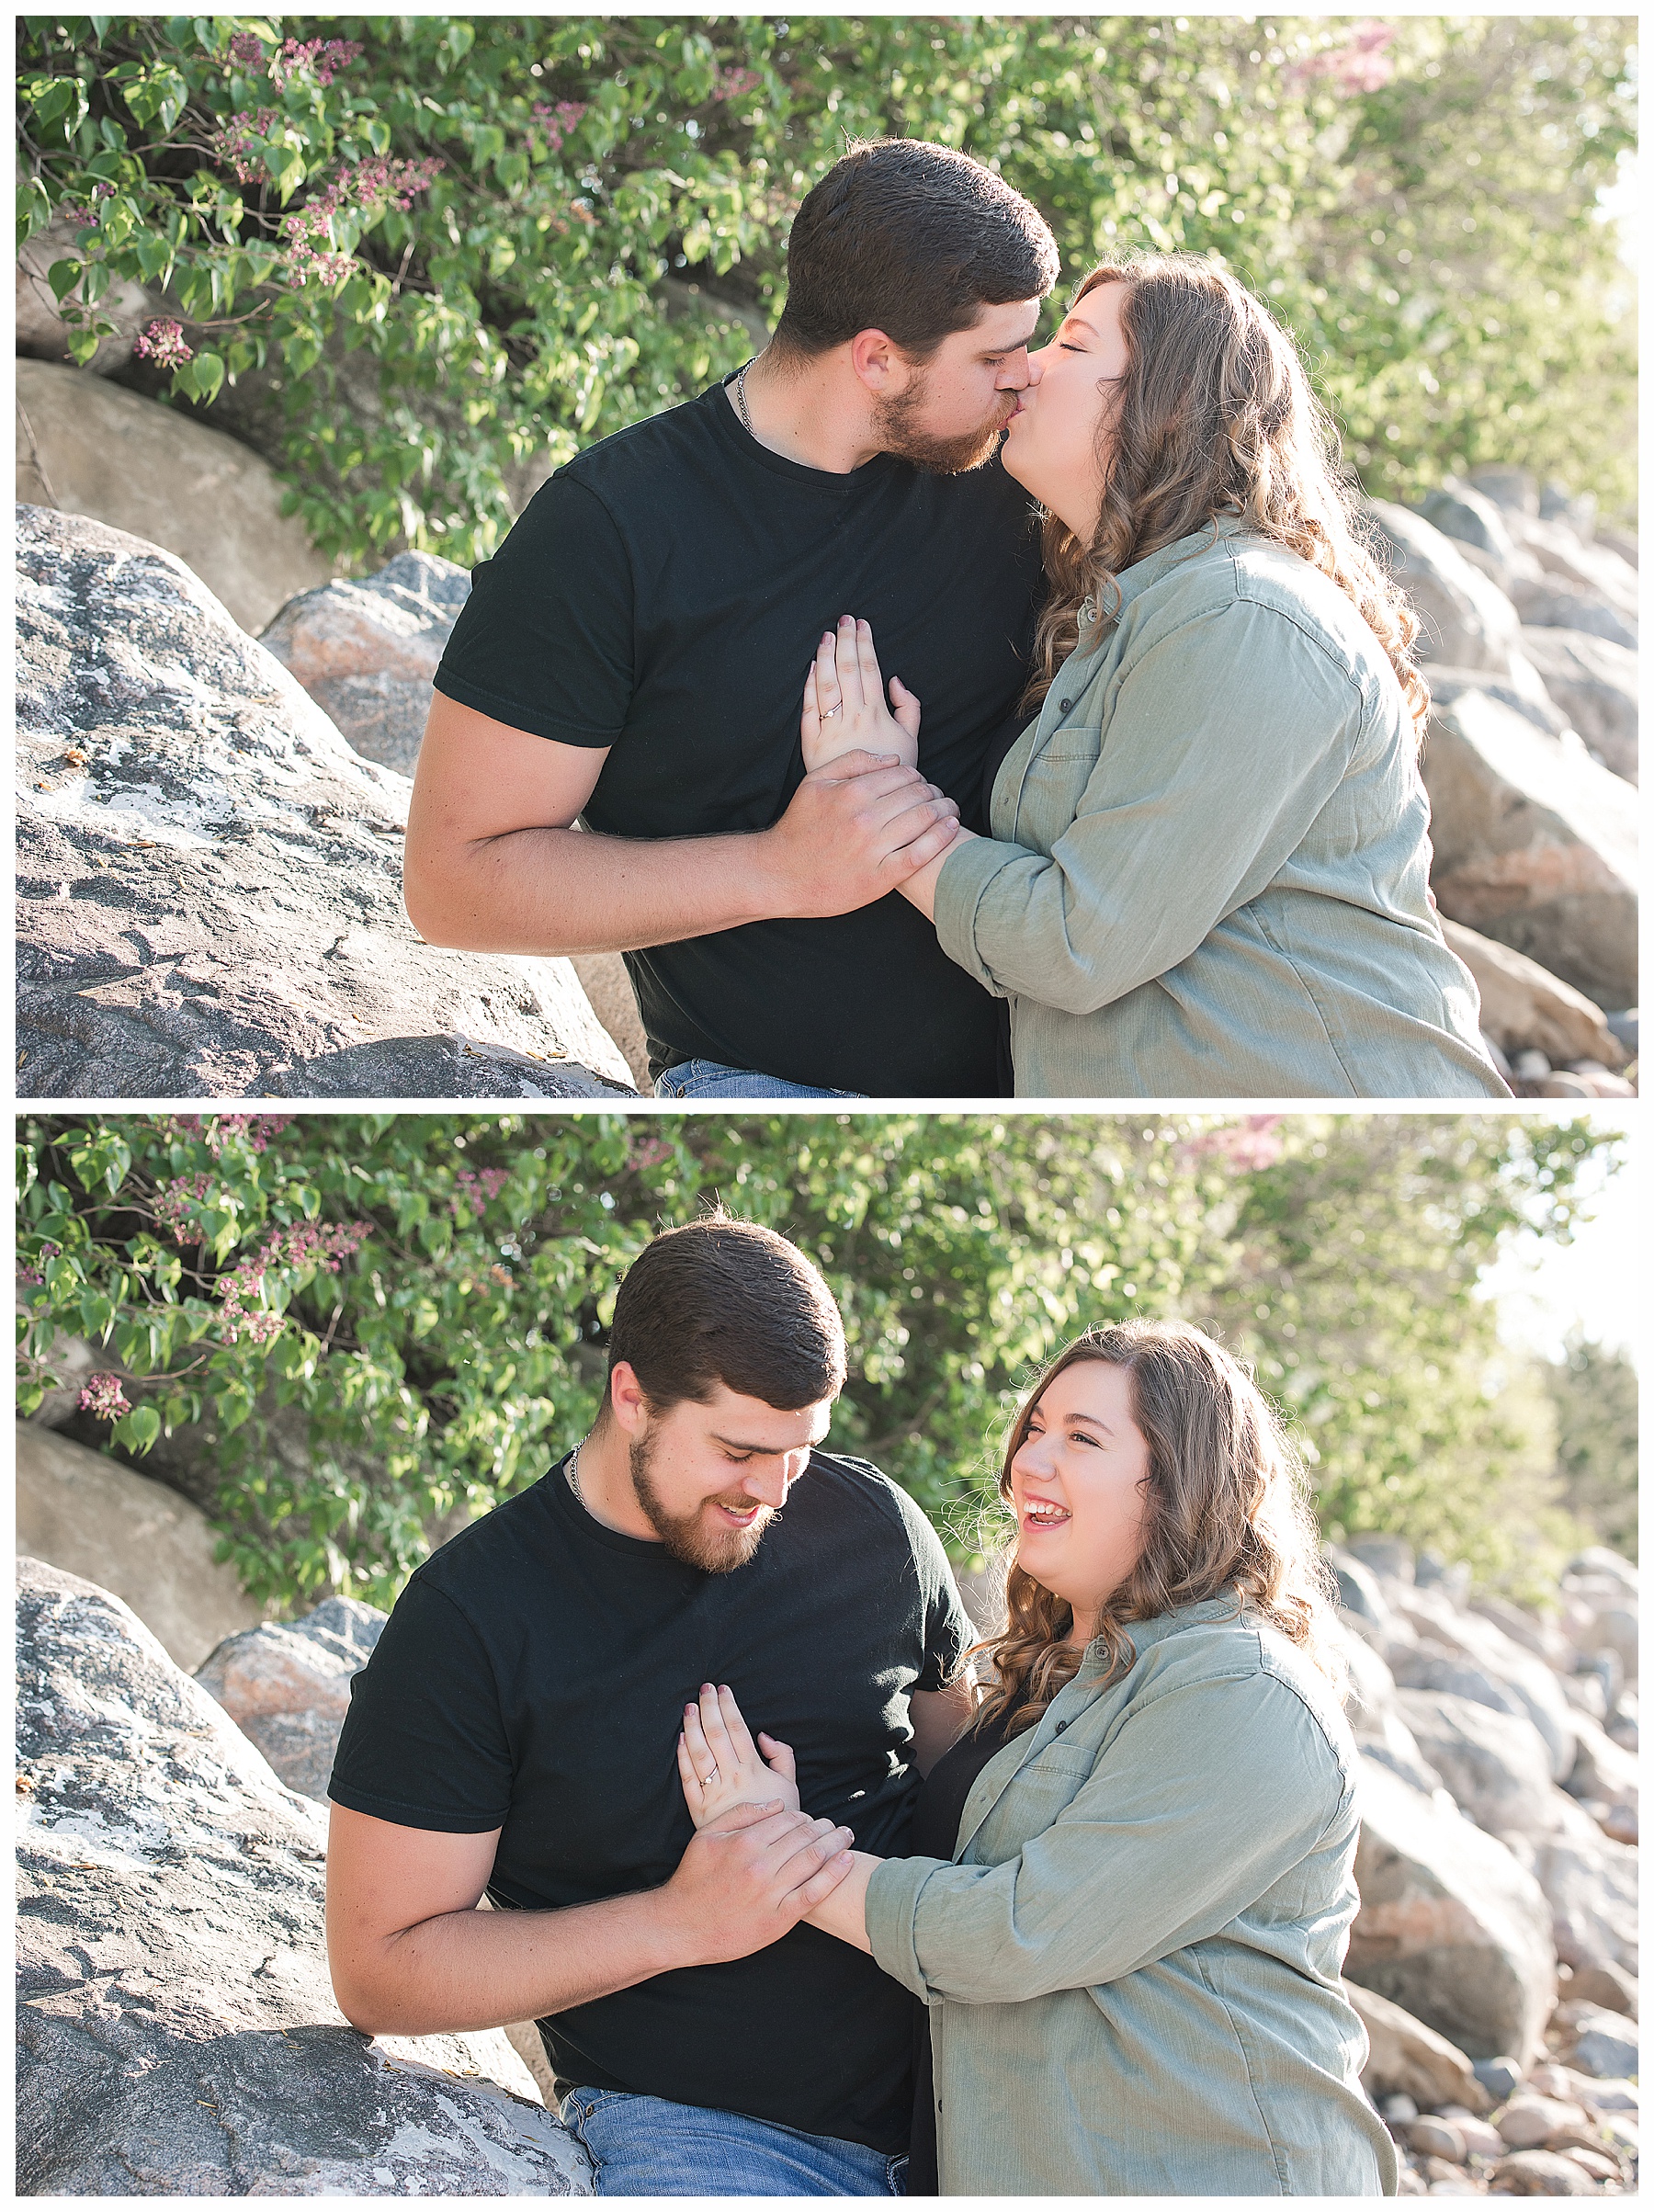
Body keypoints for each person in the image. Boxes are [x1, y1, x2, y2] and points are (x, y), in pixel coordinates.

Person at [323, 1213, 978, 2195]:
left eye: (800, 1450)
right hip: (709, 2140)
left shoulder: (878, 1525)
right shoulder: (473, 1619)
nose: (775, 1490)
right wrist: (684, 1920)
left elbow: (968, 1791)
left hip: (979, 2097)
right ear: (631, 1395)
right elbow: (378, 1968)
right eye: (738, 1450)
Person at [675, 1321, 1400, 2196]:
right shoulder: (1059, 1671)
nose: (1029, 1460)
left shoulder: (1242, 1692)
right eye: (1036, 1428)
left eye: (1083, 1438)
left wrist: (776, 1847)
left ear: (1183, 1482)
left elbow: (1017, 1930)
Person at [403, 138, 1059, 1100]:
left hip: (1050, 1078)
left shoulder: (1016, 473)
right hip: (764, 1086)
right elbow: (453, 883)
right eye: (996, 357)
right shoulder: (608, 532)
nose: (1026, 378)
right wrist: (783, 869)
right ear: (876, 358)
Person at [797, 254, 1511, 1098]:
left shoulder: (1244, 617)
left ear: (1162, 398)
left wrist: (881, 799)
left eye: (1069, 345)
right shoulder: (1147, 610)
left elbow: (1078, 942)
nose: (1024, 370)